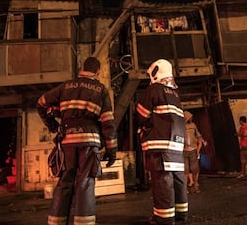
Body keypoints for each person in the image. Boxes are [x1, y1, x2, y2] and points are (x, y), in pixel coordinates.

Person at [37, 57, 117, 225]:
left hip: (67, 141)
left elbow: (41, 103)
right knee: (85, 182)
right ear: (97, 72)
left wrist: (52, 125)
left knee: (65, 181)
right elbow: (108, 122)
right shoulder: (101, 90)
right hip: (90, 141)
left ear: (83, 69)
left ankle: (56, 221)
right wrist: (111, 150)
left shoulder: (66, 86)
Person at [136, 59, 188, 225]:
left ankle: (164, 219)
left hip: (160, 144)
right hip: (177, 144)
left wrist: (144, 127)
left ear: (156, 72)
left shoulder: (155, 89)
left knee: (162, 180)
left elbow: (141, 113)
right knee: (178, 179)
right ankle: (181, 214)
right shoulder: (175, 94)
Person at [183, 110, 203, 193]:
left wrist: (198, 149)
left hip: (193, 150)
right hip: (183, 151)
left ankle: (196, 185)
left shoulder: (193, 125)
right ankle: (184, 189)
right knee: (185, 170)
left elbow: (198, 136)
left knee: (195, 169)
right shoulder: (180, 126)